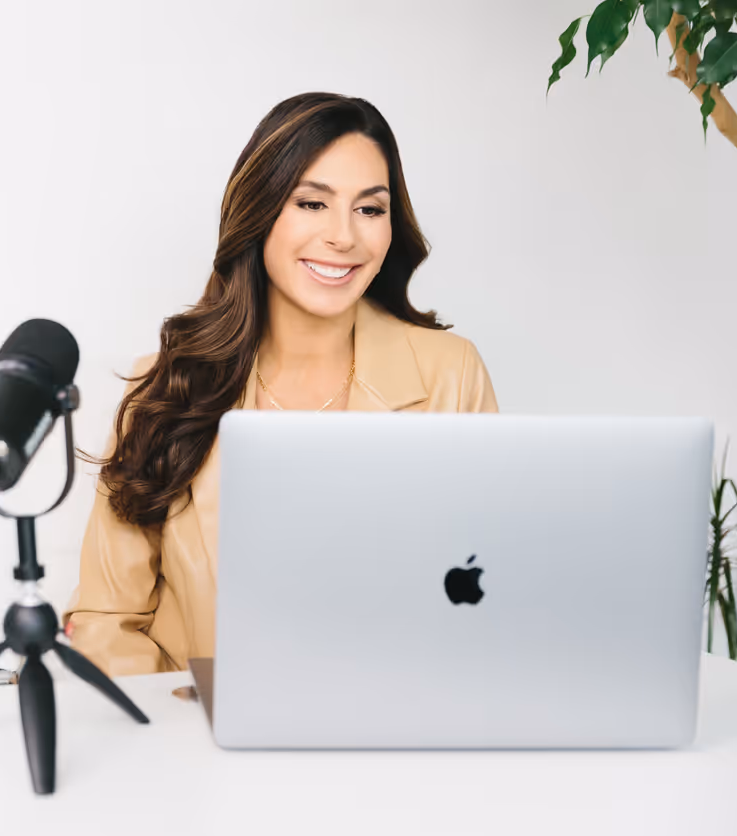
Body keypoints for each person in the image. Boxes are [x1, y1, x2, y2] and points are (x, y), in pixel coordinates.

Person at [63, 92, 498, 676]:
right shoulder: (164, 387)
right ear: (259, 210)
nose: (343, 236)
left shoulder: (451, 373)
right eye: (312, 203)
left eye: (370, 209)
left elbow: (488, 590)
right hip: (199, 738)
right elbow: (106, 625)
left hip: (393, 729)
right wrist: (186, 741)